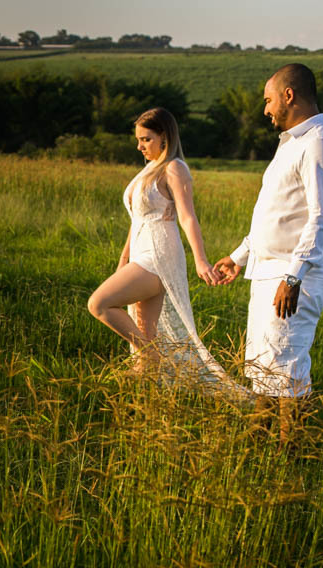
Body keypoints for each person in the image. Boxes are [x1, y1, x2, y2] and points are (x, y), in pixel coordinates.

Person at [212, 63, 323, 436]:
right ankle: (261, 443)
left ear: (289, 95)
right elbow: (279, 213)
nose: (265, 109)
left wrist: (293, 277)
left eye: (269, 100)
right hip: (270, 271)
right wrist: (240, 256)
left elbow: (321, 218)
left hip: (296, 274)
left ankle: (292, 451)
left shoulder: (320, 142)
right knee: (263, 365)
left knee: (285, 367)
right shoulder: (292, 143)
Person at [88, 107, 248, 398]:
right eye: (138, 140)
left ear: (164, 136)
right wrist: (123, 260)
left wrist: (200, 259)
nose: (140, 146)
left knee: (99, 304)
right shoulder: (148, 169)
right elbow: (137, 219)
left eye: (146, 139)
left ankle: (152, 356)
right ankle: (148, 401)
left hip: (159, 256)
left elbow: (187, 217)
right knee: (144, 329)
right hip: (140, 253)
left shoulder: (174, 168)